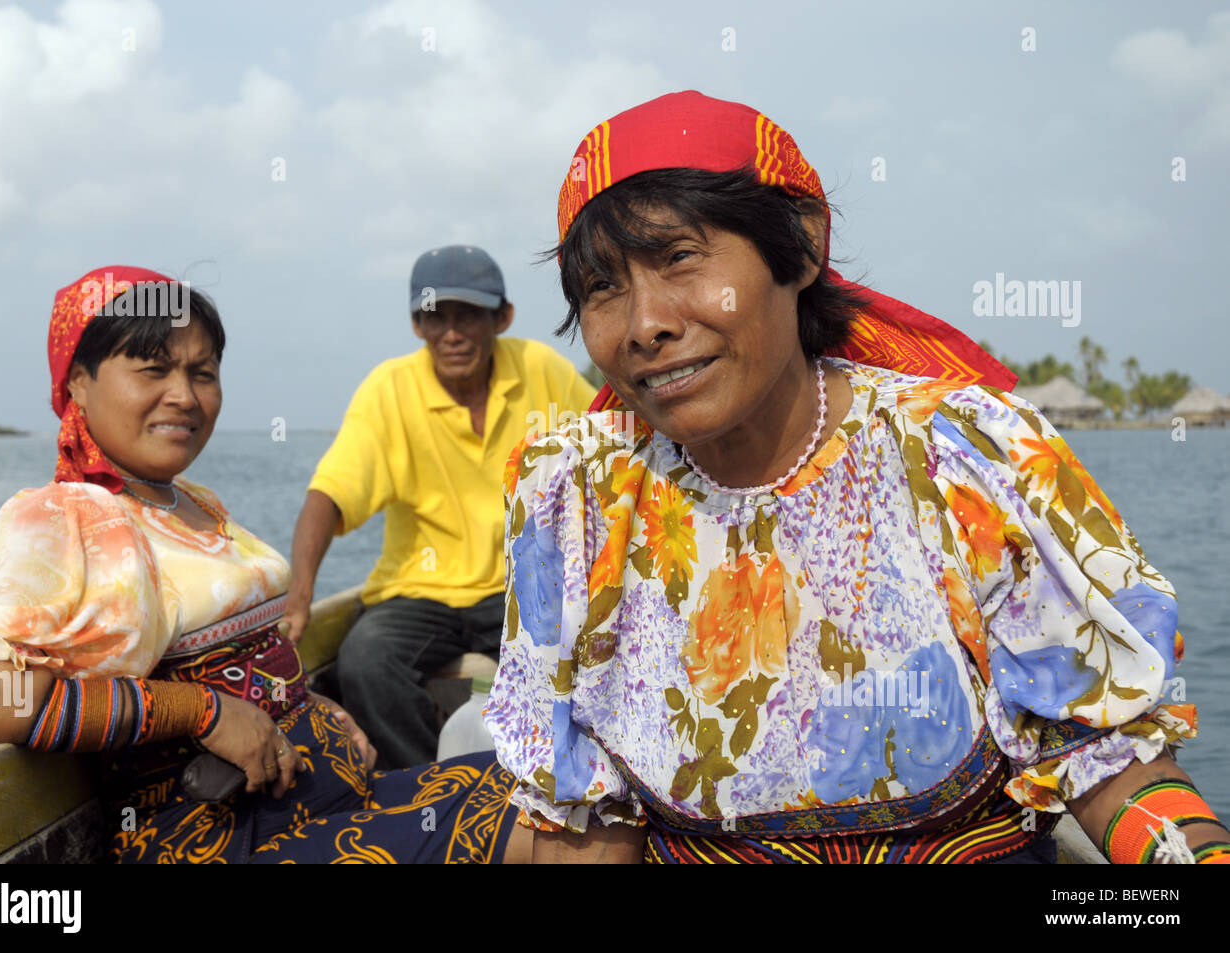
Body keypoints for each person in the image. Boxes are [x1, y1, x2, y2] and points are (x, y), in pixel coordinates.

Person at [484, 91, 1230, 864]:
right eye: (604, 286)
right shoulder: (575, 501)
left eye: (679, 257)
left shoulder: (969, 456)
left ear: (801, 247)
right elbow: (590, 824)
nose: (645, 324)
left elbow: (1107, 754)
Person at [0, 266, 529, 863]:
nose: (184, 396)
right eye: (153, 369)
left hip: (321, 801)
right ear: (79, 384)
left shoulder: (192, 502)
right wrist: (202, 712)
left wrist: (314, 705)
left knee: (556, 784)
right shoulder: (67, 516)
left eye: (203, 373)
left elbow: (244, 663)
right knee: (548, 823)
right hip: (219, 838)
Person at [286, 246, 595, 768]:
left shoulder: (541, 370)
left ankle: (546, 784)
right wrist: (298, 595)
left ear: (502, 317)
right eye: (435, 317)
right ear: (416, 325)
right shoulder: (390, 389)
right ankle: (426, 789)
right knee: (365, 660)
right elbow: (330, 494)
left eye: (469, 315)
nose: (452, 334)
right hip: (419, 592)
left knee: (582, 653)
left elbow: (610, 449)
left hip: (520, 587)